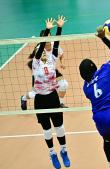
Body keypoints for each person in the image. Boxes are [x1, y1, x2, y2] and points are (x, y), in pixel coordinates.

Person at [79, 26, 110, 169]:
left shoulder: (85, 87)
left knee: (107, 140)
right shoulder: (105, 71)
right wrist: (103, 38)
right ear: (94, 67)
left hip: (98, 118)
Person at [32, 16, 70, 169]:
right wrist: (47, 30)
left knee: (60, 127)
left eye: (43, 52)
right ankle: (53, 153)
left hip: (53, 97)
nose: (41, 53)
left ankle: (64, 151)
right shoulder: (36, 63)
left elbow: (56, 45)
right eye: (39, 52)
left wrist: (59, 28)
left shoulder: (52, 59)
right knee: (47, 130)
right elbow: (41, 47)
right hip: (41, 100)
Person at [20, 29, 68, 110]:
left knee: (64, 84)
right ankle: (24, 98)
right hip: (40, 74)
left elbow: (61, 56)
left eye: (49, 37)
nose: (47, 40)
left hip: (52, 71)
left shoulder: (54, 45)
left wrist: (63, 63)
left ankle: (59, 103)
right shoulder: (38, 49)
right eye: (45, 37)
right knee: (35, 95)